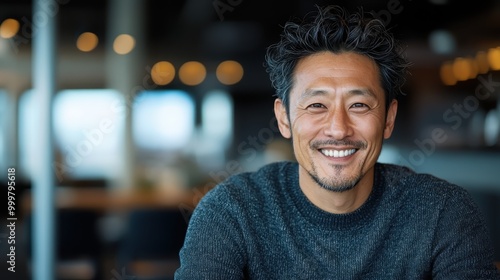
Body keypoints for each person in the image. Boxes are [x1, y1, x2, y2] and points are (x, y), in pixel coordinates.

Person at [175, 5, 500, 279]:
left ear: (388, 118)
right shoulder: (232, 212)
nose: (338, 128)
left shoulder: (443, 212)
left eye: (359, 105)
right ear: (284, 118)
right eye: (317, 105)